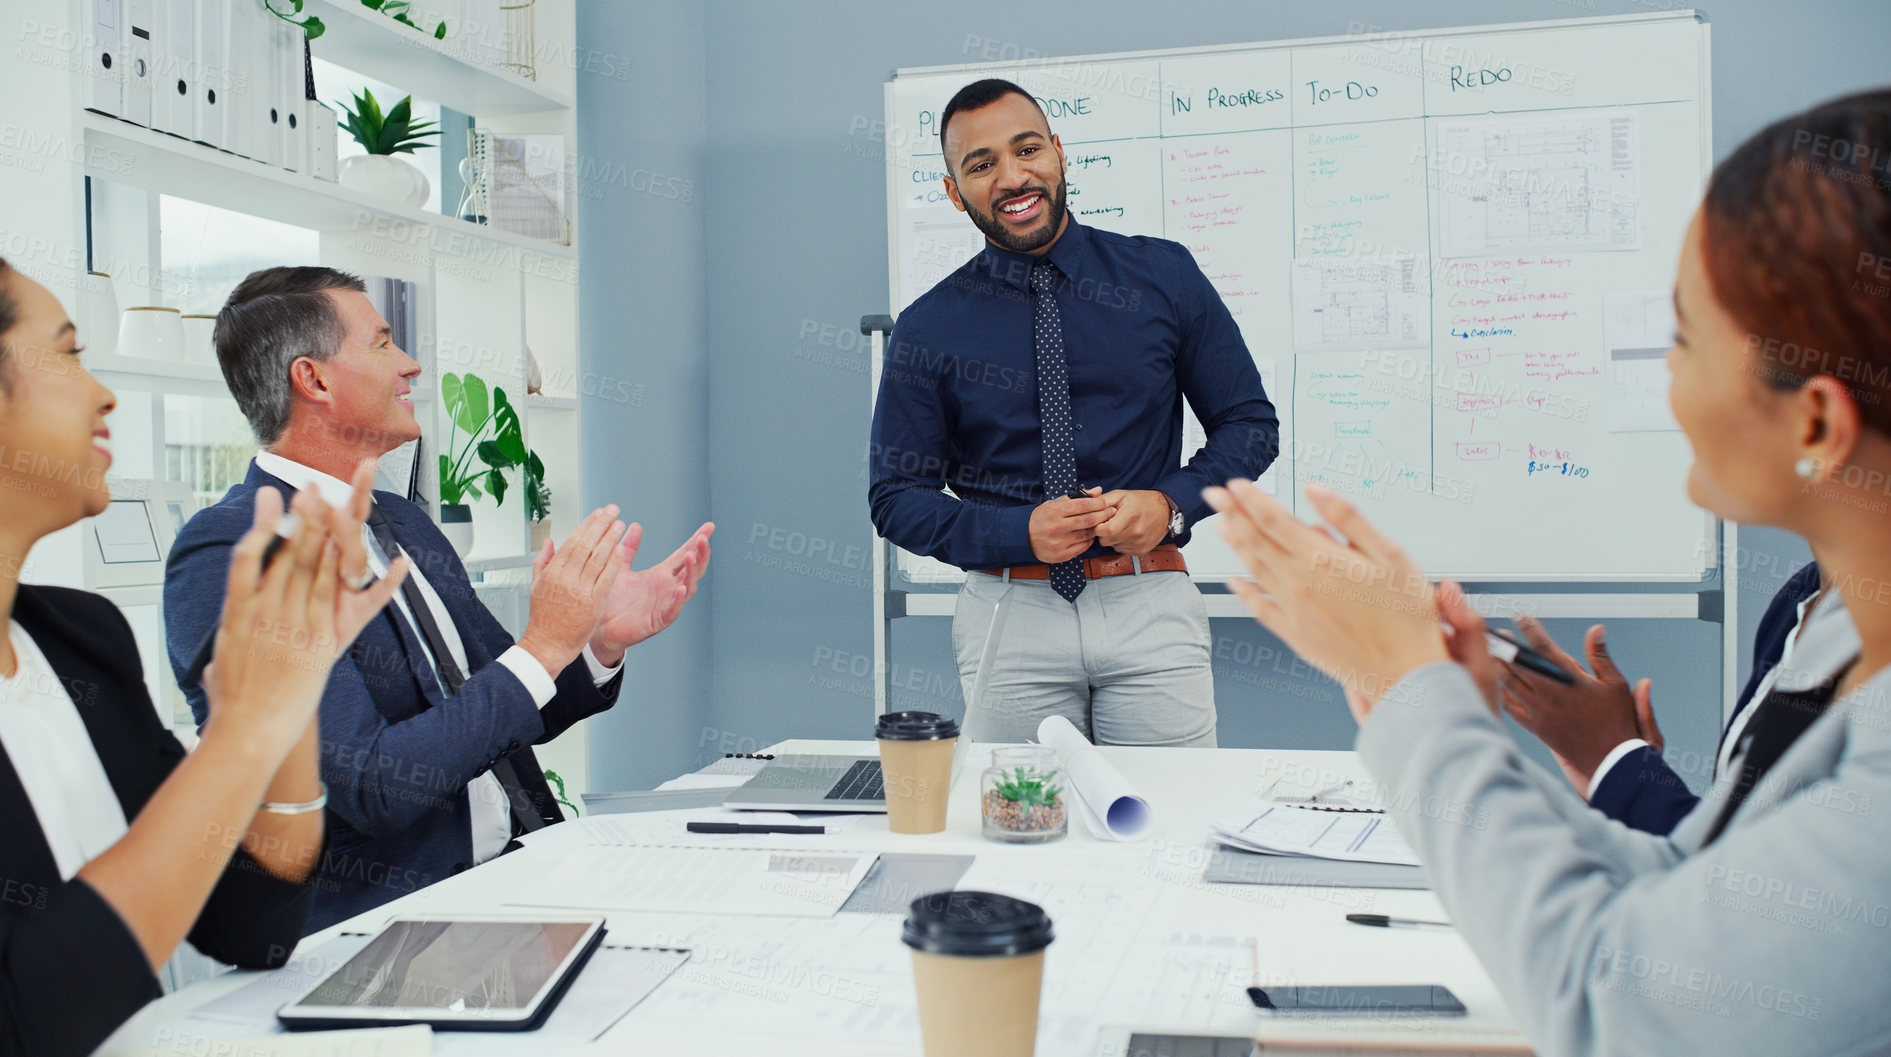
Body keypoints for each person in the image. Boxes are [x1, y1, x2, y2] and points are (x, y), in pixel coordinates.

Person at [1206, 88, 1891, 1055]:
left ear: (1815, 421)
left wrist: (1414, 696)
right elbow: (1675, 881)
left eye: (1685, 337)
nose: (1663, 372)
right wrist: (1425, 704)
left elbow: (1617, 1006)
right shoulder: (1829, 631)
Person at [165, 267, 713, 932]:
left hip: (519, 884)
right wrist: (542, 646)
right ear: (313, 380)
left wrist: (592, 643)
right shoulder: (233, 551)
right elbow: (370, 784)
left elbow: (506, 711)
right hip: (385, 936)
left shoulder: (402, 522)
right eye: (383, 343)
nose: (411, 365)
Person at [0, 259, 407, 1055]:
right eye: (70, 355)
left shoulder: (80, 637)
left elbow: (248, 925)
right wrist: (244, 730)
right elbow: (29, 1019)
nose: (104, 394)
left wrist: (289, 703)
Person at [868, 78, 1278, 746]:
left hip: (1148, 600)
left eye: (1026, 149)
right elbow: (894, 497)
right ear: (953, 192)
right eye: (980, 164)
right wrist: (1015, 532)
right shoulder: (928, 327)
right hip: (1008, 612)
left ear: (1058, 153)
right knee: (1019, 834)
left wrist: (1169, 506)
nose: (1011, 175)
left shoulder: (1163, 277)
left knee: (1163, 828)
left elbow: (1249, 425)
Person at [1499, 561, 1834, 834]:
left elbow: (1750, 878)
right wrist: (1616, 774)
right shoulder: (1801, 593)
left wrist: (1614, 758)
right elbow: (1731, 843)